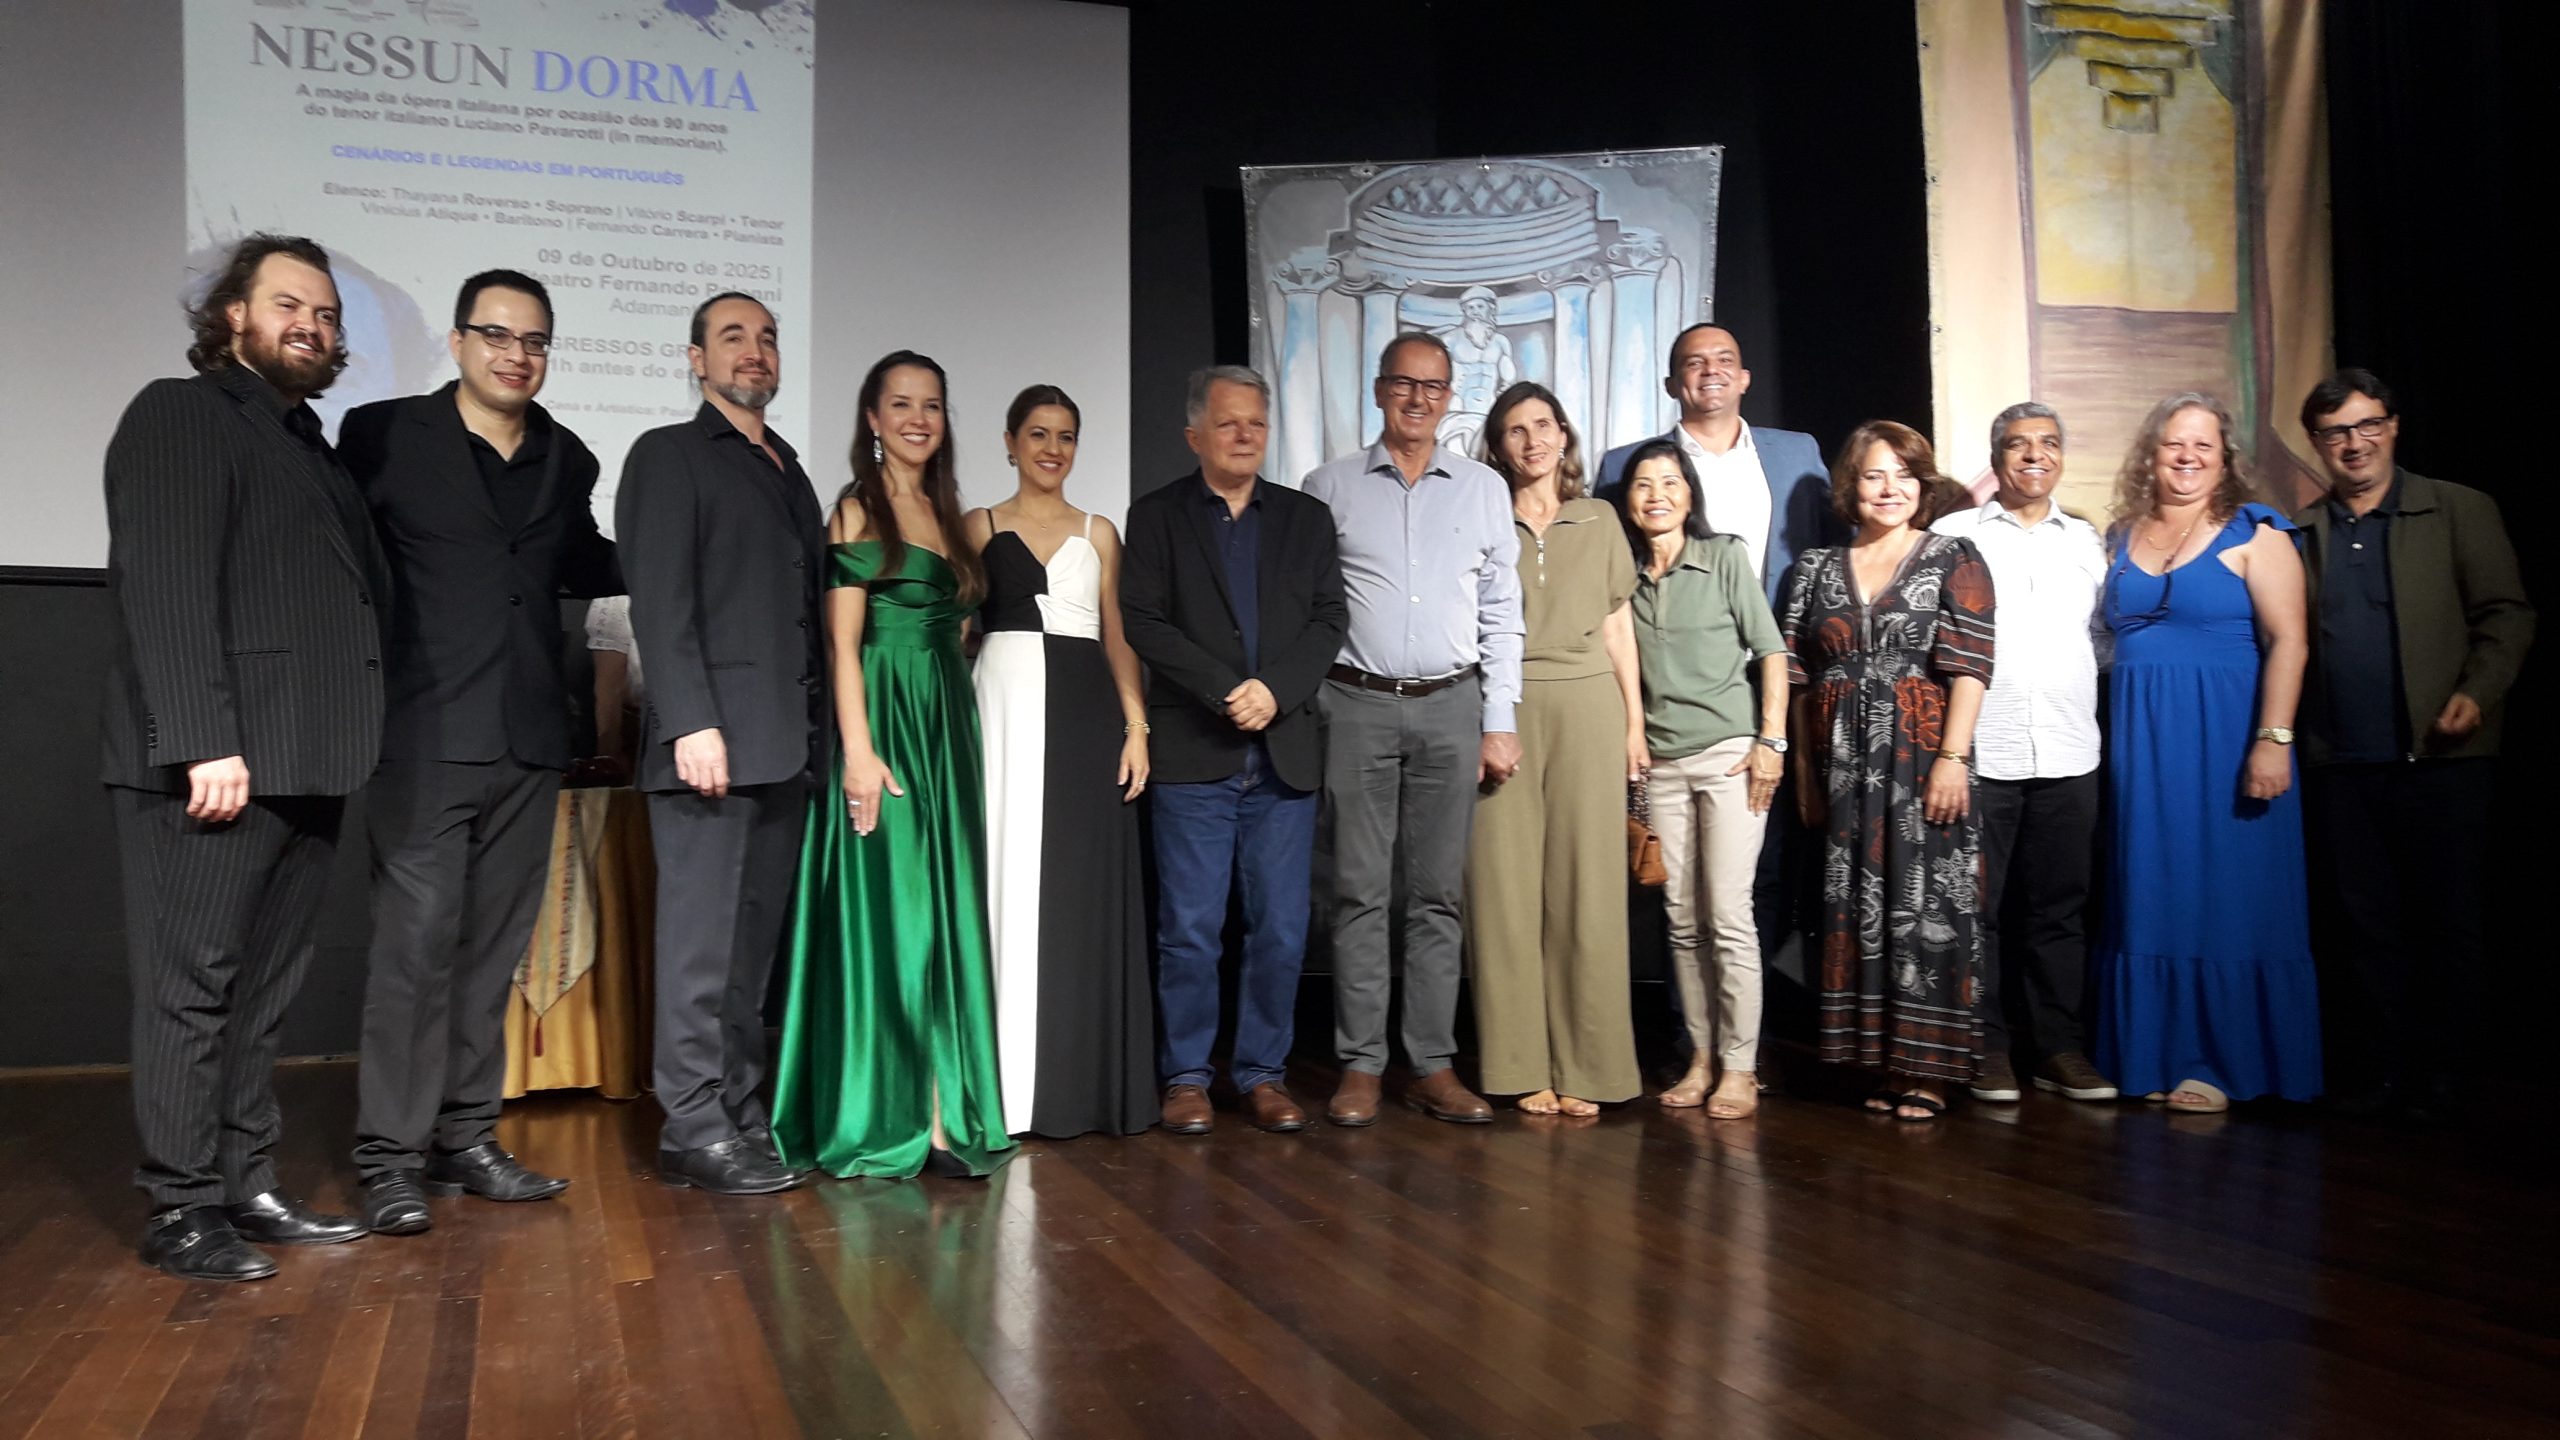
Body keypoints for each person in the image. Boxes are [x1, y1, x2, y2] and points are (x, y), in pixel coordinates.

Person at [103, 234, 387, 1279]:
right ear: (233, 315)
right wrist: (204, 741)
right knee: (192, 990)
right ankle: (182, 1206)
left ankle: (243, 1180)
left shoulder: (307, 442)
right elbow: (166, 583)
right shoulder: (181, 413)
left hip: (309, 756)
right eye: (288, 304)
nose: (312, 325)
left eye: (326, 313)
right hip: (219, 762)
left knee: (261, 991)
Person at [336, 270, 619, 1235]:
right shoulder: (380, 435)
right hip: (421, 734)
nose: (516, 354)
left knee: (491, 956)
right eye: (497, 334)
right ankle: (389, 1158)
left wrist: (688, 550)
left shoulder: (566, 455)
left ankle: (463, 1137)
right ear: (457, 342)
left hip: (529, 738)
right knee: (411, 954)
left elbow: (582, 563)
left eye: (534, 340)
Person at [769, 350, 1012, 1179]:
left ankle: (946, 1109)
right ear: (872, 419)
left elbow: (960, 632)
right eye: (901, 404)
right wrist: (860, 754)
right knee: (897, 914)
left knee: (943, 911)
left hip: (947, 727)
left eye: (931, 405)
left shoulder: (950, 515)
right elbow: (843, 645)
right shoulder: (854, 509)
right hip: (882, 723)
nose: (918, 419)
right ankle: (893, 1114)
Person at [616, 292, 824, 1195]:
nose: (755, 351)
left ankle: (736, 1116)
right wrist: (691, 721)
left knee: (749, 959)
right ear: (696, 359)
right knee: (700, 954)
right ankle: (694, 1126)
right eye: (733, 337)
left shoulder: (789, 467)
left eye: (767, 338)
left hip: (783, 748)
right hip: (710, 745)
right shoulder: (668, 454)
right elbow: (659, 601)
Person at [2290, 370, 2533, 1118]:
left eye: (2368, 425)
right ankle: (2383, 1070)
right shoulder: (2302, 530)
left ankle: (2448, 1072)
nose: (2354, 443)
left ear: (2393, 426)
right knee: (2367, 927)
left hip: (2443, 758)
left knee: (2447, 920)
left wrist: (2476, 692)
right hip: (2342, 762)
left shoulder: (2458, 508)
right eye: (2336, 432)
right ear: (2317, 444)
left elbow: (2507, 615)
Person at [1301, 333, 1524, 1126]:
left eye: (1433, 387)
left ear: (1449, 397)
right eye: (1404, 384)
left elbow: (1502, 612)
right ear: (1379, 390)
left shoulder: (1484, 490)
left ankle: (1430, 1062)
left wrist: (1499, 720)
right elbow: (1308, 607)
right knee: (1358, 891)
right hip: (1355, 704)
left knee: (1437, 895)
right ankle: (1361, 1064)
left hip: (1452, 706)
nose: (1418, 399)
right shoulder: (1327, 487)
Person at [1121, 366, 1347, 1135]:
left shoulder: (1307, 520)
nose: (1245, 435)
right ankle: (1186, 1076)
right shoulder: (1156, 516)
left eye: (1255, 422)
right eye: (1228, 423)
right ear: (1194, 436)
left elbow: (1329, 619)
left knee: (1280, 928)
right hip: (1194, 752)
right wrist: (1227, 691)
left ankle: (1261, 1074)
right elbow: (1143, 622)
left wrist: (1275, 691)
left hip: (1284, 754)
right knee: (1190, 927)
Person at [2092, 393, 2319, 1113]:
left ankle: (2221, 1061)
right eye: (2174, 444)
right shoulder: (2121, 535)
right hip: (2142, 744)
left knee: (2227, 895)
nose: (2187, 457)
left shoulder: (2257, 531)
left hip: (2225, 737)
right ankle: (2155, 1052)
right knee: (2152, 890)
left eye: (2203, 446)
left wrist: (2273, 739)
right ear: (2150, 454)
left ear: (2225, 459)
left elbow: (2291, 642)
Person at [1780, 421, 1996, 1122]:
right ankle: (1880, 1060)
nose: (1889, 489)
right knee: (1856, 908)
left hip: (1923, 759)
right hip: (1842, 770)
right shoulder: (1814, 569)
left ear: (1922, 485)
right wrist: (1805, 775)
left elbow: (1971, 668)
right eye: (1874, 475)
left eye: (1904, 475)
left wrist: (1953, 759)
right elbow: (1797, 678)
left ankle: (1928, 1071)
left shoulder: (1952, 555)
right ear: (1852, 485)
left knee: (1927, 906)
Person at [964, 384, 1155, 1140]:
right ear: (1010, 442)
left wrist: (1136, 727)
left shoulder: (1100, 531)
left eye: (1066, 436)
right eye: (1039, 434)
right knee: (1000, 877)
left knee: (1075, 894)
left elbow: (1118, 637)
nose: (1053, 449)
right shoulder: (977, 525)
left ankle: (1075, 1086)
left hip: (1084, 720)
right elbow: (953, 629)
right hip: (999, 709)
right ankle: (999, 1091)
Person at [1927, 404, 2116, 1106]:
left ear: (2061, 456)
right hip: (1983, 754)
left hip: (2070, 750)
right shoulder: (1954, 537)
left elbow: (2102, 641)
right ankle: (1987, 1048)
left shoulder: (2089, 541)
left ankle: (2057, 1048)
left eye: (2048, 443)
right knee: (1978, 911)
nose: (2034, 455)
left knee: (2059, 910)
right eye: (2017, 444)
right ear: (1996, 458)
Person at [1463, 383, 1644, 1116]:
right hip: (1502, 707)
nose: (1533, 440)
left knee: (1589, 889)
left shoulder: (1600, 517)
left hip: (1590, 706)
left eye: (1543, 425)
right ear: (1498, 446)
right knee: (1501, 890)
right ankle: (1517, 1065)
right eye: (1515, 430)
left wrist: (1634, 725)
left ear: (1564, 435)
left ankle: (1591, 1067)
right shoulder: (1480, 517)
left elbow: (1619, 626)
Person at [1620, 439, 1789, 1120]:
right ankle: (1701, 1059)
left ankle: (1741, 1068)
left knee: (1728, 916)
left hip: (1729, 758)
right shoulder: (1624, 578)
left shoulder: (1723, 557)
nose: (1656, 495)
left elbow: (1771, 651)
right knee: (1682, 921)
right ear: (1628, 501)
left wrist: (1771, 740)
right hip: (1662, 766)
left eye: (1670, 481)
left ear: (1690, 493)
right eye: (1642, 484)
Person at [1594, 324, 1834, 606]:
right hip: (1671, 628)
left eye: (1725, 360)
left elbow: (1838, 543)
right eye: (1694, 363)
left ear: (1744, 379)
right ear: (1671, 386)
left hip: (1785, 628)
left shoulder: (1797, 453)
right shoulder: (1622, 465)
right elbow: (1604, 565)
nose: (1711, 370)